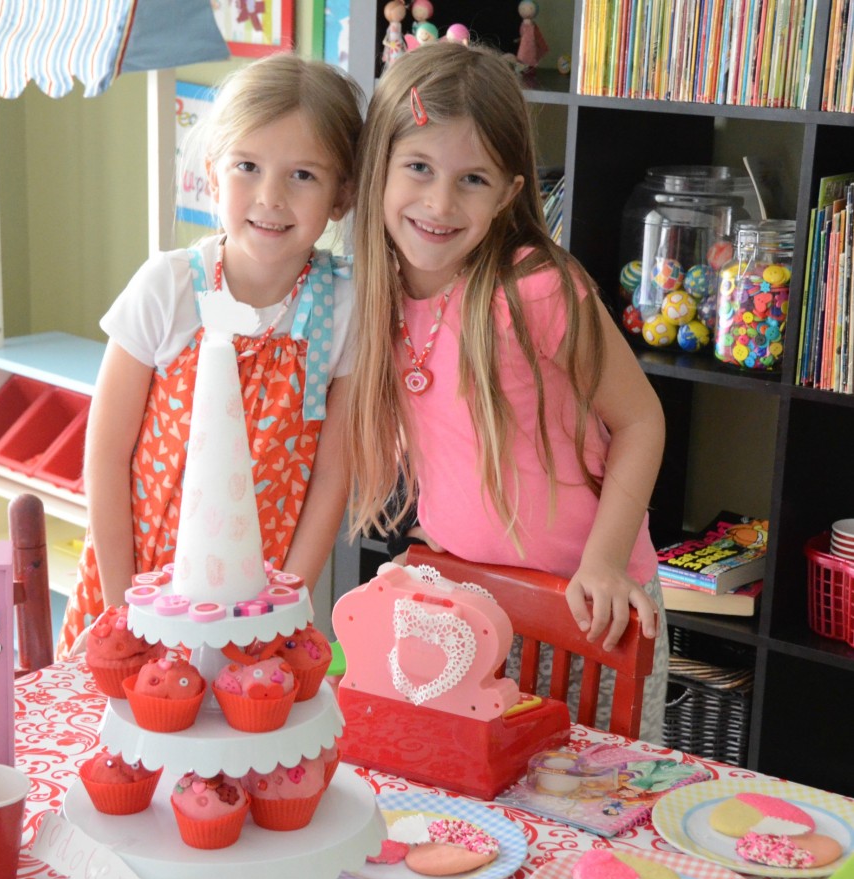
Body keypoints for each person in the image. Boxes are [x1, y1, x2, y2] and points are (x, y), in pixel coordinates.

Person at [345, 44, 669, 741]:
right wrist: (440, 544)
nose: (438, 202)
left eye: (471, 179)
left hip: (589, 610)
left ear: (509, 194)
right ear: (378, 170)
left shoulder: (536, 291)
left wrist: (605, 565)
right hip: (466, 603)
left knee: (588, 805)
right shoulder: (377, 297)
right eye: (419, 168)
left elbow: (640, 419)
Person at [59, 54, 364, 656]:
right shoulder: (167, 288)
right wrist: (125, 607)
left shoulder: (347, 306)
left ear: (341, 195)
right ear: (212, 174)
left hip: (256, 601)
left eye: (303, 174)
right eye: (247, 166)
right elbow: (106, 455)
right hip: (139, 578)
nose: (270, 197)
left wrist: (286, 608)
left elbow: (333, 475)